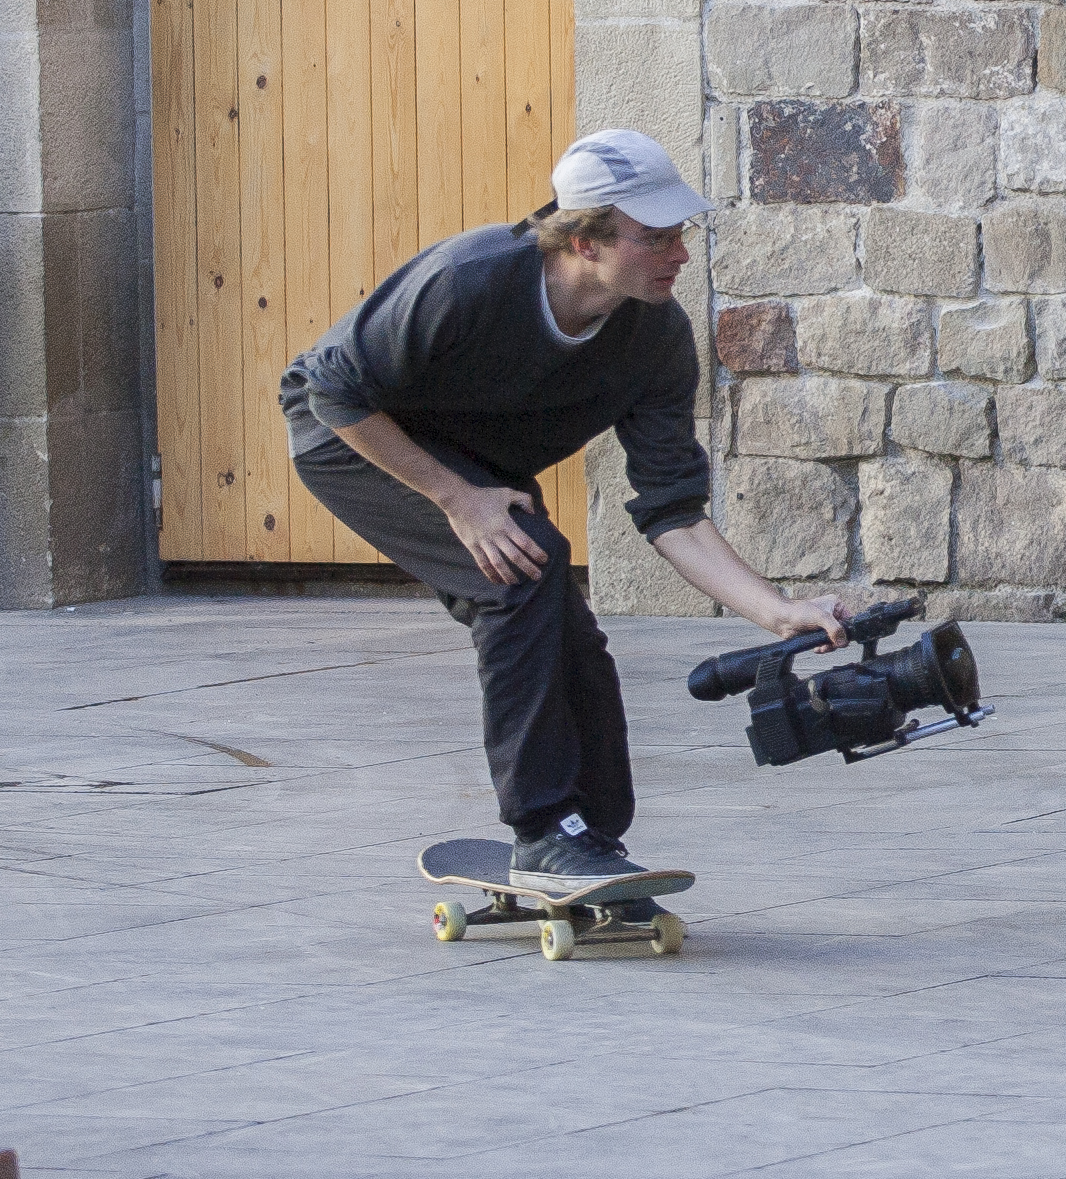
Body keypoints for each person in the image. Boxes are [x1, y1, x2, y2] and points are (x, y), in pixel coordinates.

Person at [280, 129, 845, 893]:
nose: (679, 253)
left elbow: (672, 508)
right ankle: (544, 832)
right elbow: (335, 391)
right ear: (584, 241)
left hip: (474, 463)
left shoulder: (656, 339)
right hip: (351, 438)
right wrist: (457, 499)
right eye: (656, 238)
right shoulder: (470, 280)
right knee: (518, 573)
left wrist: (778, 614)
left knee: (565, 624)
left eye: (682, 233)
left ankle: (591, 842)